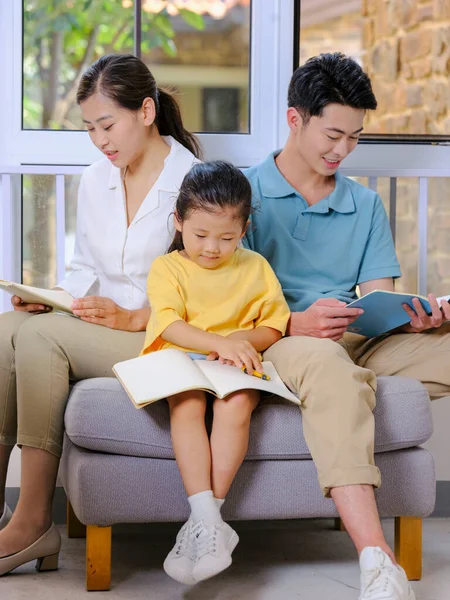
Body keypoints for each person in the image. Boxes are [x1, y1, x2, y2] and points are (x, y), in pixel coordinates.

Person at [244, 53, 448, 600]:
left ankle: (342, 398)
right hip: (285, 342)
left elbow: (378, 299)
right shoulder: (244, 195)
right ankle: (376, 560)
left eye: (355, 138)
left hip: (359, 340)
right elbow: (224, 305)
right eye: (333, 134)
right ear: (295, 119)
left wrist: (415, 318)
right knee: (329, 366)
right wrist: (293, 321)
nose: (343, 150)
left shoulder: (364, 203)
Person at [0, 53, 201, 575]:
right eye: (90, 127)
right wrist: (50, 298)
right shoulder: (96, 178)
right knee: (6, 329)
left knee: (41, 339)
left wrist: (134, 316)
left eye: (108, 124)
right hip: (101, 326)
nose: (100, 140)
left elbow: (203, 289)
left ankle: (33, 522)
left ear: (147, 111)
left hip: (160, 333)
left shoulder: (194, 180)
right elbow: (84, 269)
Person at [142, 161, 290, 585]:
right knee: (185, 404)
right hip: (185, 361)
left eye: (226, 238)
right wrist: (219, 343)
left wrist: (242, 340)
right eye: (200, 235)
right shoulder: (168, 267)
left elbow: (273, 324)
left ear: (244, 228)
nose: (211, 248)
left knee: (237, 402)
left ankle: (204, 526)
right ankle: (208, 521)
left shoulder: (255, 266)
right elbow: (167, 323)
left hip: (234, 368)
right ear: (178, 222)